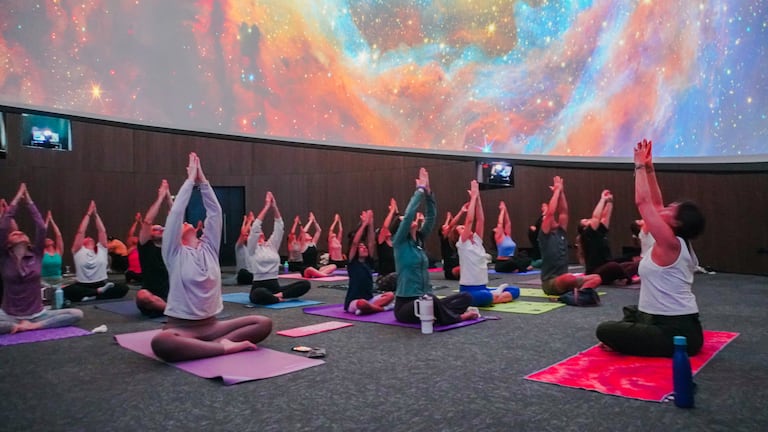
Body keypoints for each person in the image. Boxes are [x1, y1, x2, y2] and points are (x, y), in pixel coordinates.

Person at [150, 153, 272, 362]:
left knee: (263, 323)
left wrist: (202, 181)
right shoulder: (174, 253)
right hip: (181, 328)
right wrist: (189, 181)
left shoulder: (209, 250)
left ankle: (209, 346)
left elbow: (215, 212)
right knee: (161, 343)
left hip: (212, 326)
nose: (186, 222)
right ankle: (223, 348)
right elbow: (177, 212)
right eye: (182, 224)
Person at [596, 140, 705, 357]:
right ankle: (634, 338)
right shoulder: (671, 239)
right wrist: (648, 167)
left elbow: (644, 203)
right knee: (632, 312)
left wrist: (637, 165)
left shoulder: (670, 243)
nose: (666, 208)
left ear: (678, 224)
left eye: (672, 209)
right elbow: (655, 204)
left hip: (676, 329)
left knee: (605, 330)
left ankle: (629, 341)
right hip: (666, 321)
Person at [392, 168, 477, 325]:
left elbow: (431, 217)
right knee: (430, 300)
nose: (407, 218)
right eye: (403, 219)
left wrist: (429, 194)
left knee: (466, 297)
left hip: (426, 298)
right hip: (406, 305)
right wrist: (419, 190)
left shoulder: (419, 240)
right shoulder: (399, 243)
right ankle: (455, 318)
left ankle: (441, 313)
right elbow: (409, 214)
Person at [0, 184, 83, 334]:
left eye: (21, 233)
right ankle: (14, 326)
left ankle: (33, 326)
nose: (18, 233)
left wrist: (29, 201)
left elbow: (41, 227)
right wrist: (17, 199)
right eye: (14, 234)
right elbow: (3, 227)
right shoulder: (4, 257)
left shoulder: (36, 254)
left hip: (38, 315)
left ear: (28, 241)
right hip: (8, 315)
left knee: (77, 314)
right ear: (8, 243)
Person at [538, 176, 602, 296]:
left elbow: (564, 211)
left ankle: (579, 293)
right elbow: (551, 213)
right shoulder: (545, 236)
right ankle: (577, 291)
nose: (553, 218)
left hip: (566, 279)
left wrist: (561, 191)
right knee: (568, 278)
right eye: (549, 219)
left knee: (596, 278)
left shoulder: (560, 232)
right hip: (550, 283)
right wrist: (556, 191)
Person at [457, 181, 517, 307]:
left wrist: (478, 197)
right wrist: (473, 197)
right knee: (484, 296)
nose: (464, 228)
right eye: (461, 228)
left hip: (483, 287)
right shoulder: (462, 244)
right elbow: (469, 220)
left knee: (515, 291)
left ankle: (495, 296)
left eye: (463, 227)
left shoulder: (477, 241)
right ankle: (496, 296)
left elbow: (480, 220)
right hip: (469, 290)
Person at [247, 192, 311, 305]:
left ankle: (277, 297)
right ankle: (275, 298)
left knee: (305, 284)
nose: (260, 232)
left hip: (276, 287)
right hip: (259, 287)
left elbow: (279, 227)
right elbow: (255, 227)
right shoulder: (252, 248)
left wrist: (274, 206)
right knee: (259, 293)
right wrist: (266, 206)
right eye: (258, 232)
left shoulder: (271, 246)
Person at [63, 201, 129, 302]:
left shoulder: (102, 249)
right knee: (66, 290)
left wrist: (96, 215)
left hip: (101, 283)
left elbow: (102, 231)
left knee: (123, 288)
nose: (89, 237)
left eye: (91, 238)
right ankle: (97, 294)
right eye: (86, 238)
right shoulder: (78, 250)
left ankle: (92, 295)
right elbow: (81, 231)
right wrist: (88, 214)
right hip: (83, 285)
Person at [577, 190, 639, 285]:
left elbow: (605, 217)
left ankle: (619, 278)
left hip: (606, 267)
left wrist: (610, 202)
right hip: (595, 271)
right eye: (585, 221)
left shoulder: (598, 232)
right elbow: (596, 217)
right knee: (613, 266)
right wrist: (602, 199)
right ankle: (627, 280)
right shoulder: (586, 235)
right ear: (584, 228)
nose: (588, 219)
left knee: (634, 265)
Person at [135, 180, 174, 317]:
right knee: (142, 295)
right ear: (149, 234)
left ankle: (174, 309)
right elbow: (148, 221)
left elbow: (175, 217)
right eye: (155, 229)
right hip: (152, 296)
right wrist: (160, 198)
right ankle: (174, 311)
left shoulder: (170, 246)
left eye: (161, 229)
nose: (159, 229)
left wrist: (168, 197)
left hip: (173, 296)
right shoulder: (146, 246)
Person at [344, 210, 394, 314]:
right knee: (362, 304)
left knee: (390, 295)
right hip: (354, 302)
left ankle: (369, 309)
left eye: (364, 247)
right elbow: (354, 243)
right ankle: (381, 308)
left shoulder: (368, 262)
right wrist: (364, 224)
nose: (364, 248)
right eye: (361, 247)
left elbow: (371, 242)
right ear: (356, 251)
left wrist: (371, 223)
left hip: (369, 299)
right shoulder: (353, 263)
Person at [494, 201, 531, 273]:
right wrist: (502, 211)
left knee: (526, 259)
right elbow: (500, 223)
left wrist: (505, 209)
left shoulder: (508, 236)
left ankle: (518, 268)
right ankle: (522, 269)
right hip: (502, 263)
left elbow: (508, 223)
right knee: (512, 263)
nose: (497, 229)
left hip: (511, 260)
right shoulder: (499, 238)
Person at [298, 213, 337, 278]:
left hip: (316, 268)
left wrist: (314, 220)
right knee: (310, 269)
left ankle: (318, 274)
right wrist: (310, 221)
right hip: (306, 269)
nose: (309, 234)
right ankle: (323, 275)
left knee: (333, 266)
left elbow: (319, 230)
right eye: (307, 234)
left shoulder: (313, 243)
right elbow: (303, 232)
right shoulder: (303, 245)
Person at [438, 206, 464, 280]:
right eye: (445, 227)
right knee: (461, 269)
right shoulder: (444, 240)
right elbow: (451, 226)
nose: (447, 227)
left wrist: (450, 218)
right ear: (442, 233)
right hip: (450, 270)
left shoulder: (453, 239)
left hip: (459, 266)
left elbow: (453, 226)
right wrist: (461, 211)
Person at [376, 198, 398, 277]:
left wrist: (396, 211)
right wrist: (392, 211)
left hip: (396, 273)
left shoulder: (394, 241)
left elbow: (399, 223)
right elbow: (385, 226)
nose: (387, 230)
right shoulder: (381, 243)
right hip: (385, 276)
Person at [41, 210, 65, 285]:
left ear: (54, 242)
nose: (48, 239)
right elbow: (41, 234)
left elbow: (59, 235)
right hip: (44, 281)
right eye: (46, 239)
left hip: (58, 280)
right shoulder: (43, 252)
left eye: (49, 239)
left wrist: (52, 220)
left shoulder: (58, 252)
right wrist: (47, 221)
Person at [234, 212, 255, 285]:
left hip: (250, 274)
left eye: (247, 235)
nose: (246, 236)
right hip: (242, 275)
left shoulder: (249, 247)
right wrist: (249, 221)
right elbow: (243, 233)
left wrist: (246, 221)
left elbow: (251, 234)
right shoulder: (238, 246)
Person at [125, 212, 143, 284]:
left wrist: (141, 222)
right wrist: (136, 222)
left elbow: (145, 232)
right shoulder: (131, 247)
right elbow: (130, 234)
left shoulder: (142, 247)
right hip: (133, 273)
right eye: (134, 238)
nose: (135, 238)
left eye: (137, 237)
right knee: (128, 274)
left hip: (142, 273)